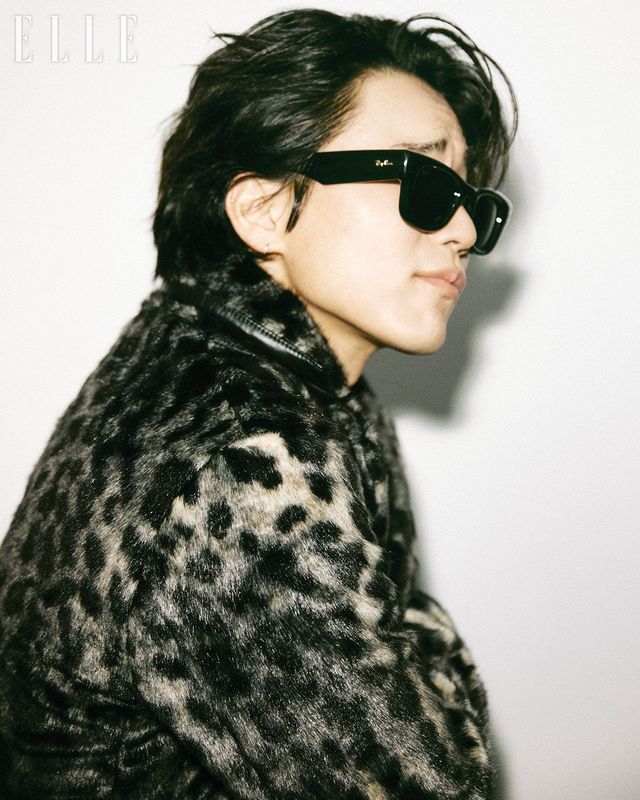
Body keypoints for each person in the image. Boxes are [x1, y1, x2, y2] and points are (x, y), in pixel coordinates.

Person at [0, 8, 517, 799]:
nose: (462, 231)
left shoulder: (221, 362)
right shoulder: (237, 470)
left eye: (476, 203)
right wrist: (427, 644)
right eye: (423, 182)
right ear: (265, 210)